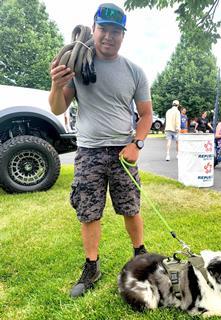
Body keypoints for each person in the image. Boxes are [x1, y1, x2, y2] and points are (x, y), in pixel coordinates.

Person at [49, 3, 153, 298]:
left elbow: (146, 114)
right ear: (93, 29)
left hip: (123, 151)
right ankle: (92, 266)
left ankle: (139, 257)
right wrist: (56, 85)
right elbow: (58, 107)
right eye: (103, 29)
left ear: (123, 35)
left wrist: (137, 143)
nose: (109, 36)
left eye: (116, 31)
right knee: (88, 211)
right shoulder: (78, 64)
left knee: (130, 208)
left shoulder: (134, 71)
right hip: (89, 152)